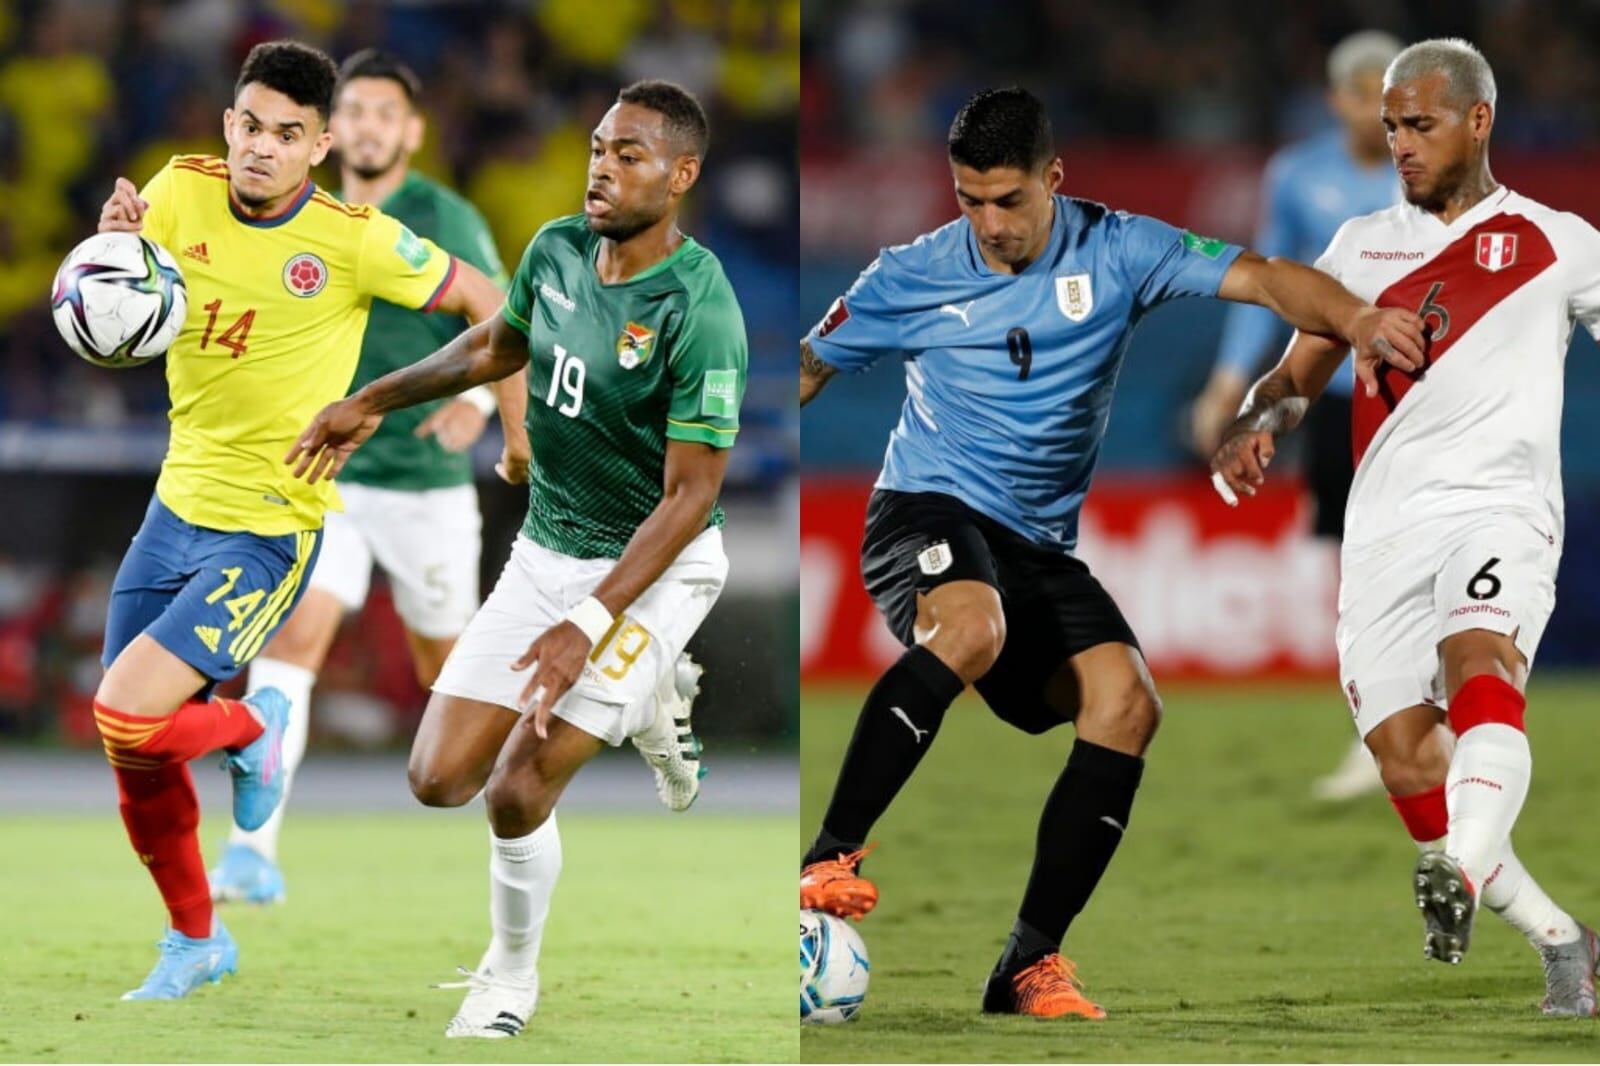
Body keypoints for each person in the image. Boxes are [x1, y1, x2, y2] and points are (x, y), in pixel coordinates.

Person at [798, 86, 1422, 1019]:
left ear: (1055, 178)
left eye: (1008, 199)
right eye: (969, 199)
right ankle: (827, 857)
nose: (988, 223)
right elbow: (808, 367)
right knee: (971, 624)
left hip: (1037, 545)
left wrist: (1361, 320)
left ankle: (1027, 965)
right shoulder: (909, 273)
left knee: (1127, 704)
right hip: (924, 510)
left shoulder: (1123, 248)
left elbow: (1265, 278)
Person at [287, 80, 744, 1038]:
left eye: (630, 155)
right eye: (598, 148)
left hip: (653, 573)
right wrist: (377, 396)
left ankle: (511, 977)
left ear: (682, 174)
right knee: (438, 778)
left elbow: (691, 496)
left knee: (516, 787)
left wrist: (590, 623)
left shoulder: (701, 309)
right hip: (547, 550)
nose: (602, 169)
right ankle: (657, 697)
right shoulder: (557, 248)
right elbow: (496, 344)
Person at [90, 39, 511, 999]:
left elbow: (493, 304)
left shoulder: (357, 239)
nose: (263, 149)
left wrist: (466, 405)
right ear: (228, 125)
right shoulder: (178, 188)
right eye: (250, 127)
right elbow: (122, 296)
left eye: (289, 135)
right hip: (172, 511)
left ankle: (249, 729)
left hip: (269, 527)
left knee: (124, 709)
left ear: (319, 147)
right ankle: (196, 941)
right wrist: (114, 237)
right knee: (130, 751)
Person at [1211, 38, 1600, 1016]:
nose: (1399, 144)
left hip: (1499, 511)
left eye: (1418, 124)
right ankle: (1565, 938)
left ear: (1477, 120)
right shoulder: (1356, 248)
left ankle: (1457, 875)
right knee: (1407, 759)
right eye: (1389, 127)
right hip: (1383, 530)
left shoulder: (1557, 242)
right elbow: (1292, 380)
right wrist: (1256, 424)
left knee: (1481, 665)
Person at [207, 48, 526, 906]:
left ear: (412, 131)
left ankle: (519, 830)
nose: (369, 126)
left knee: (447, 674)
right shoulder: (297, 208)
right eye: (355, 111)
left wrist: (488, 409)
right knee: (290, 644)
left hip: (423, 479)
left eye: (387, 112)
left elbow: (501, 311)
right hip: (324, 476)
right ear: (328, 129)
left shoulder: (441, 215)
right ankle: (251, 852)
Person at [1189, 31, 1402, 802]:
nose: (1387, 115)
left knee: (1431, 554)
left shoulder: (1435, 170)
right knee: (1359, 566)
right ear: (1339, 100)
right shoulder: (1298, 177)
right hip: (1339, 399)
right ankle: (1383, 730)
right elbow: (1266, 288)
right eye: (1371, 96)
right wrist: (1229, 382)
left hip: (1421, 397)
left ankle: (1429, 720)